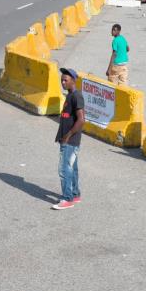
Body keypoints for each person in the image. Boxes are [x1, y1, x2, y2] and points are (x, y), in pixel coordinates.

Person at [53, 68, 85, 210]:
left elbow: (81, 120)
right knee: (72, 168)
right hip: (68, 139)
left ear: (73, 80)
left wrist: (67, 136)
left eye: (65, 80)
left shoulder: (76, 96)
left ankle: (67, 199)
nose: (63, 82)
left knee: (64, 169)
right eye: (61, 80)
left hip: (70, 141)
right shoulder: (70, 95)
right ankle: (75, 194)